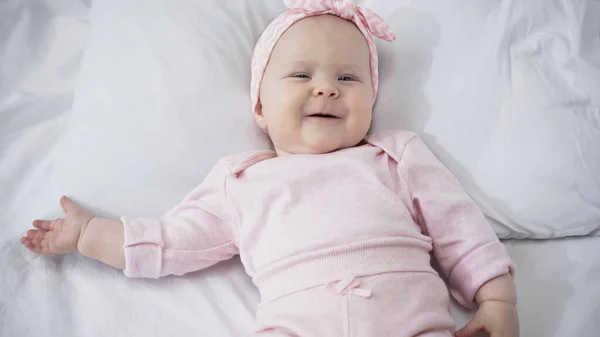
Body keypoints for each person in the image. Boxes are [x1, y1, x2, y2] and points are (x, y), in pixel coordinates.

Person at [21, 1, 519, 336]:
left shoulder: (394, 155)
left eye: (348, 77)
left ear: (372, 100)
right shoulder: (241, 180)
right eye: (301, 75)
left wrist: (497, 301)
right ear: (260, 107)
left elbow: (460, 229)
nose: (325, 88)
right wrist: (89, 236)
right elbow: (172, 240)